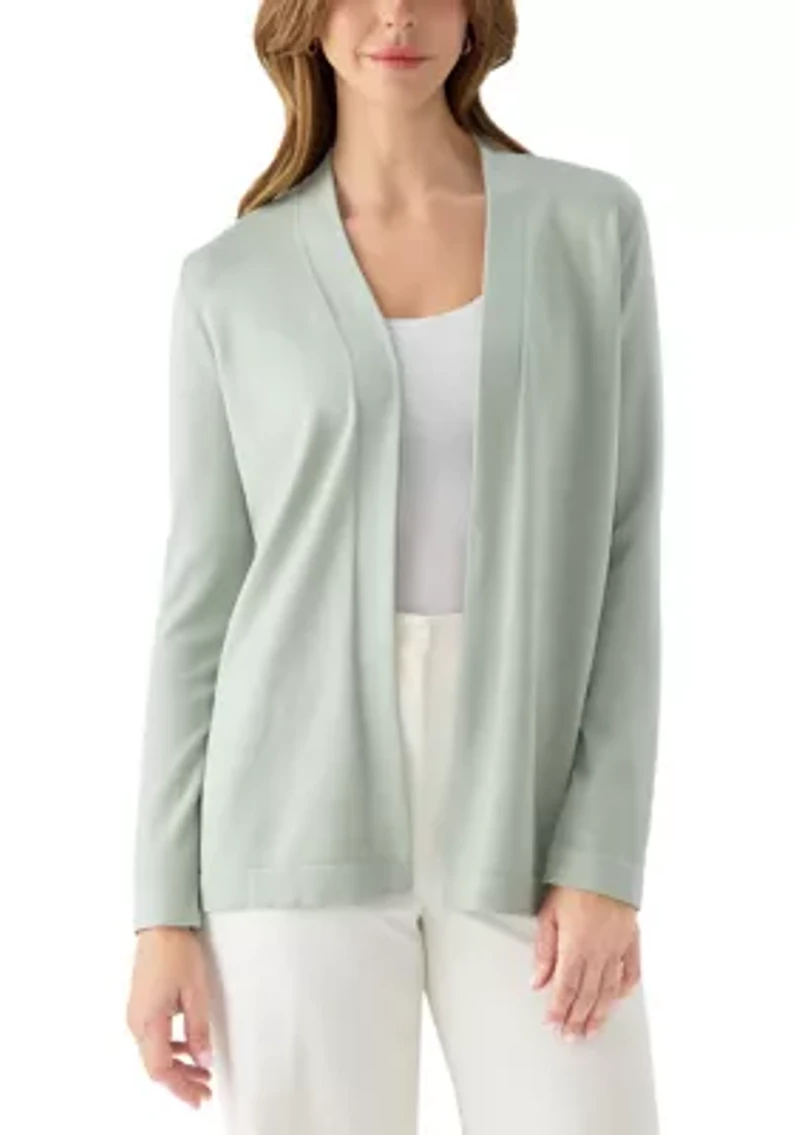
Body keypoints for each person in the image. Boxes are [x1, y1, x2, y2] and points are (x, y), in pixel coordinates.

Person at [125, 2, 664, 1132]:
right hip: (286, 819)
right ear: (307, 18)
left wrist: (604, 855)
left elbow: (625, 548)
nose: (396, 15)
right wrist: (161, 910)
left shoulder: (589, 229)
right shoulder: (230, 281)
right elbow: (199, 605)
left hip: (531, 812)